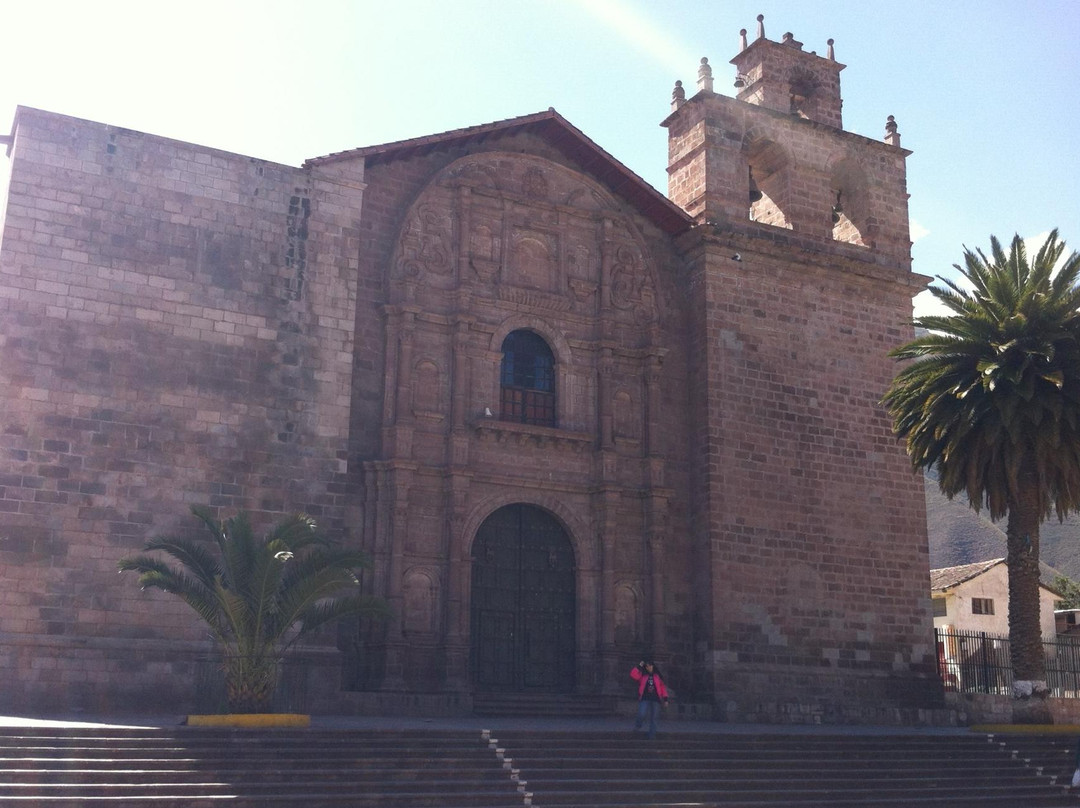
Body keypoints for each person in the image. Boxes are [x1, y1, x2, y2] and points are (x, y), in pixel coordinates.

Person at [630, 659, 669, 739]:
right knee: (641, 713)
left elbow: (663, 688)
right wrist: (640, 665)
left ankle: (652, 735)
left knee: (654, 718)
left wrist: (665, 699)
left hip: (656, 699)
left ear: (653, 666)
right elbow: (633, 674)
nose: (649, 668)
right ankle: (638, 725)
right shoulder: (643, 675)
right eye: (647, 666)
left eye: (650, 666)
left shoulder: (657, 676)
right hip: (645, 698)